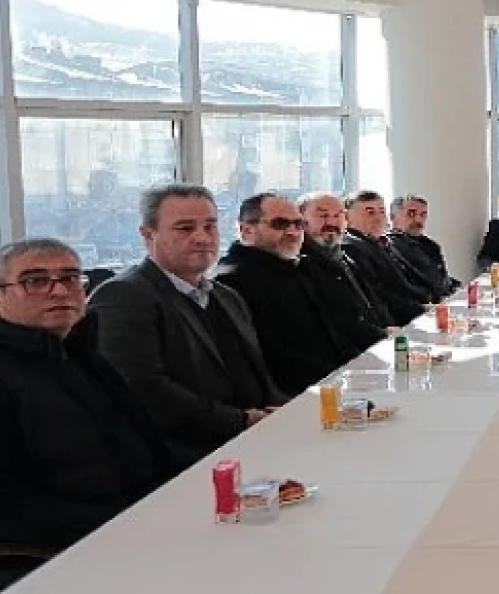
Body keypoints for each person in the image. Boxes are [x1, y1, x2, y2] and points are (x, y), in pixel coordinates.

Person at [0, 239, 174, 590]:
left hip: (137, 525)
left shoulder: (78, 350)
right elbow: (2, 502)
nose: (60, 291)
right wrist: (124, 524)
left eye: (70, 278)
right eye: (35, 281)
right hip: (49, 555)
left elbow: (141, 444)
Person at [87, 184, 286, 467]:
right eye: (185, 228)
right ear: (148, 234)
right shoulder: (123, 296)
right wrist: (242, 420)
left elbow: (256, 375)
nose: (202, 237)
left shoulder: (227, 297)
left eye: (210, 226)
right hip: (185, 458)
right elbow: (144, 390)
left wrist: (285, 412)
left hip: (255, 440)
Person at [215, 193, 359, 396]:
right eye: (280, 224)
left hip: (337, 380)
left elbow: (333, 329)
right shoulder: (233, 280)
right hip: (297, 396)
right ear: (246, 230)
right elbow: (268, 356)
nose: (292, 232)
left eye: (299, 224)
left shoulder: (298, 267)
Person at [297, 192, 392, 344]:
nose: (331, 222)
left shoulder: (346, 256)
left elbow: (374, 303)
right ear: (301, 221)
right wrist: (382, 334)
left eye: (337, 215)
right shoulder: (302, 265)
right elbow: (338, 323)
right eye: (322, 215)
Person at [342, 190, 434, 325]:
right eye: (370, 212)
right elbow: (379, 293)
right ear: (347, 217)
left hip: (416, 309)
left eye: (381, 211)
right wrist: (421, 309)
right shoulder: (352, 247)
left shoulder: (381, 242)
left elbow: (404, 283)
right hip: (397, 322)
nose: (379, 218)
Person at [387, 195, 459, 298]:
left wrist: (455, 287)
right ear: (392, 217)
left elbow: (439, 278)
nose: (418, 220)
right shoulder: (389, 247)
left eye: (423, 215)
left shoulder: (430, 245)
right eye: (411, 213)